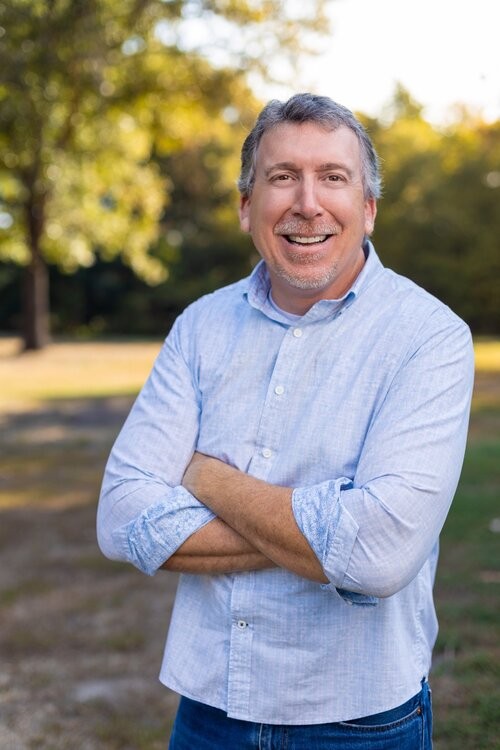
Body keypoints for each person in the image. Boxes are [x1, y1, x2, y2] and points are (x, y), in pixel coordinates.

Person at [97, 93, 474, 749]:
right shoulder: (200, 326)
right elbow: (121, 517)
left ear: (368, 207)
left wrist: (204, 477)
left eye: (333, 176)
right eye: (282, 177)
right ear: (247, 207)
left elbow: (380, 555)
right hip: (208, 711)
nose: (307, 203)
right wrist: (331, 529)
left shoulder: (430, 337)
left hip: (360, 722)